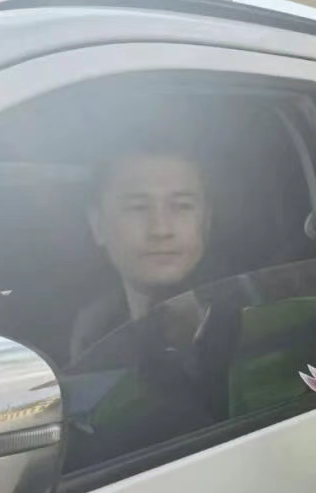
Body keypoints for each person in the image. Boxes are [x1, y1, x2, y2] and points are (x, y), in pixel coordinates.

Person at [70, 150, 211, 361]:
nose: (161, 230)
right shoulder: (93, 334)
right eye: (138, 208)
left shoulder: (253, 306)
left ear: (206, 221)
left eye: (182, 206)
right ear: (97, 225)